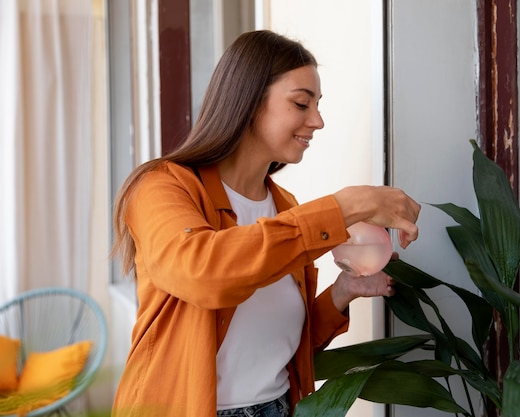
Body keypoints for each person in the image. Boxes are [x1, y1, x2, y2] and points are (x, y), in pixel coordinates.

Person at [111, 30, 421, 417]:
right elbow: (204, 272)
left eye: (317, 105)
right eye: (301, 103)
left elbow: (276, 346)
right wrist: (347, 206)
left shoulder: (285, 207)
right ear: (250, 102)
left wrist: (343, 292)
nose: (318, 121)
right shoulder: (162, 188)